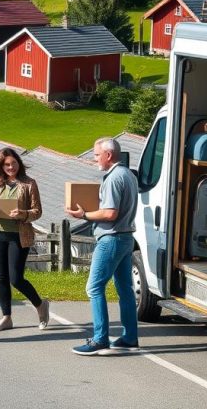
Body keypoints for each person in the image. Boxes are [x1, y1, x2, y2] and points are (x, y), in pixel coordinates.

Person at [64, 137, 139, 355]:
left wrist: (84, 214)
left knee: (94, 287)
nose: (95, 158)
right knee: (125, 289)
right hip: (126, 238)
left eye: (97, 155)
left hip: (111, 238)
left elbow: (109, 213)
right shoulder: (129, 175)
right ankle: (130, 337)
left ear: (108, 155)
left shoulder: (114, 178)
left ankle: (99, 339)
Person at [0, 148, 50, 332]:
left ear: (19, 163)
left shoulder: (29, 184)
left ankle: (40, 305)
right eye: (6, 164)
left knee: (16, 278)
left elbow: (37, 211)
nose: (10, 167)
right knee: (1, 277)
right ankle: (6, 318)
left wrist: (23, 214)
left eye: (13, 163)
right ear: (1, 166)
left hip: (19, 236)